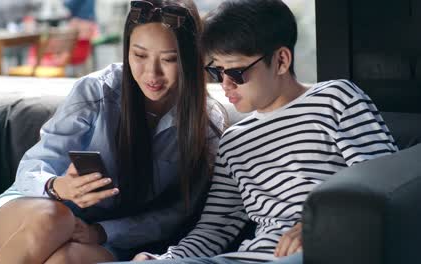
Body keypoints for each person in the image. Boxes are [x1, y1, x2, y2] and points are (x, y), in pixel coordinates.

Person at [131, 0, 398, 263]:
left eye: (236, 72)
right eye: (216, 71)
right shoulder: (234, 141)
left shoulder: (335, 99)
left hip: (322, 250)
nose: (225, 85)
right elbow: (214, 230)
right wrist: (166, 259)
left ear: (281, 60)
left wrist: (320, 225)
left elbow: (385, 184)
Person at [0, 0, 224, 263]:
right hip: (32, 211)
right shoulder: (96, 91)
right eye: (140, 55)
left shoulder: (206, 121)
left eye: (169, 59)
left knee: (63, 259)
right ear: (126, 51)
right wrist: (58, 186)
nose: (152, 73)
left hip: (104, 237)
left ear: (190, 58)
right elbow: (32, 167)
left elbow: (177, 211)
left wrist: (102, 231)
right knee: (55, 219)